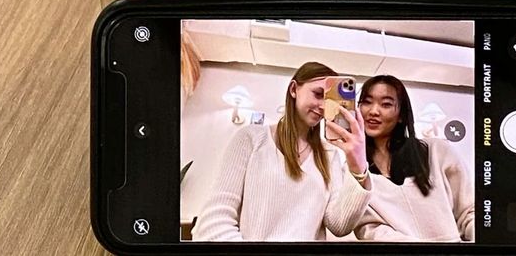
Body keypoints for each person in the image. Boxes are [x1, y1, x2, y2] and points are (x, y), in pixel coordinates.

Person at [196, 61, 372, 241]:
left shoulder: (330, 154)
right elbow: (214, 221)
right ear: (294, 89)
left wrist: (357, 166)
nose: (322, 106)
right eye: (318, 94)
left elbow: (339, 225)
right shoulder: (251, 139)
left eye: (329, 101)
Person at [354, 74, 475, 243]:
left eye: (386, 104)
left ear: (401, 115)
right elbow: (368, 228)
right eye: (366, 102)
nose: (374, 111)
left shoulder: (437, 151)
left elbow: (469, 212)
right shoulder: (356, 168)